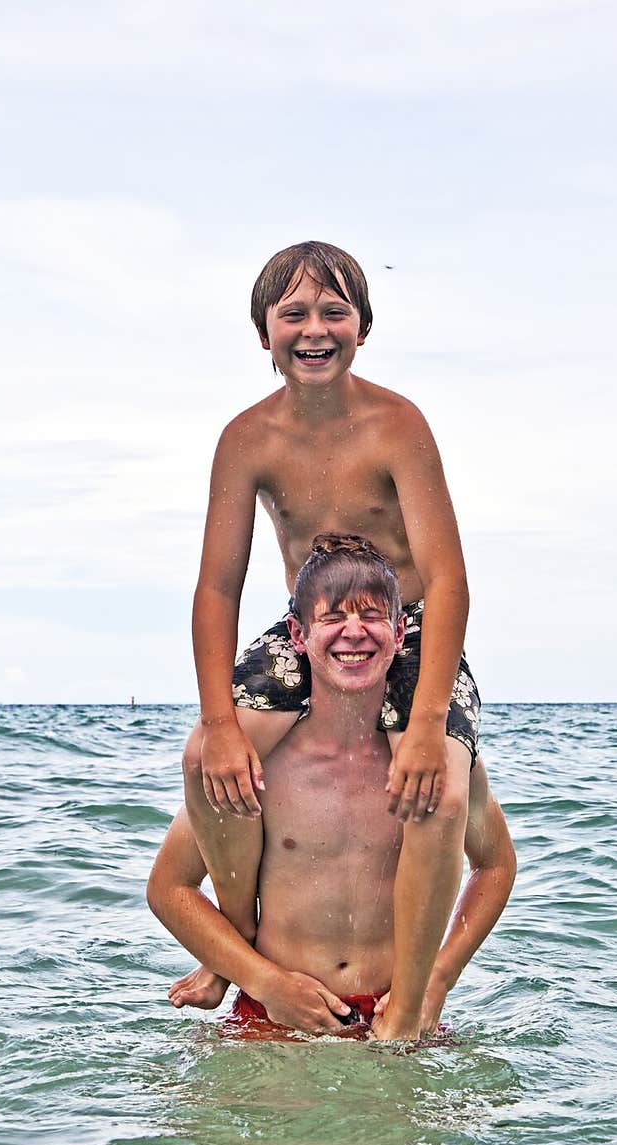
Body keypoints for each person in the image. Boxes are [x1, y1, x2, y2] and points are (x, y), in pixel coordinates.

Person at [181, 240, 484, 1041]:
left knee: (441, 792)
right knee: (201, 757)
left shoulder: (397, 424)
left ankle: (412, 1003)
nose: (314, 329)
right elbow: (217, 589)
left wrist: (423, 727)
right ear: (264, 335)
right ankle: (237, 941)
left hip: (404, 626)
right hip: (306, 627)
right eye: (294, 315)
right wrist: (218, 725)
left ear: (362, 328)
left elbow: (449, 580)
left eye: (334, 312)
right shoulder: (246, 438)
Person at [149, 538, 515, 1038]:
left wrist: (438, 979)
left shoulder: (430, 767)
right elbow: (169, 889)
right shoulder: (259, 764)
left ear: (401, 630)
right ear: (298, 635)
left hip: (395, 1019)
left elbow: (495, 865)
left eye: (371, 615)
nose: (354, 632)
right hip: (274, 1013)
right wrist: (264, 981)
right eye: (333, 618)